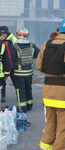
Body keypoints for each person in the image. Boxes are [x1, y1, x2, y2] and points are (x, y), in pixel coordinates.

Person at [37, 19, 65, 150]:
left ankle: (45, 146)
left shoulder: (47, 44)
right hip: (63, 93)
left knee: (50, 123)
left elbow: (39, 66)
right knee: (63, 127)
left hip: (48, 92)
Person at [13, 27, 40, 113]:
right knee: (28, 88)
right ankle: (29, 105)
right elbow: (38, 55)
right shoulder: (32, 45)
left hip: (18, 73)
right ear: (27, 35)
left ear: (18, 35)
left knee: (20, 90)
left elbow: (11, 59)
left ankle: (22, 108)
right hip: (29, 72)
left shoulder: (15, 46)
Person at [0, 26, 17, 102]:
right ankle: (2, 96)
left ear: (7, 33)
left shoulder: (13, 39)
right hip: (3, 63)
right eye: (1, 33)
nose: (3, 34)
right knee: (2, 82)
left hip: (13, 63)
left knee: (16, 81)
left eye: (4, 33)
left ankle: (19, 96)